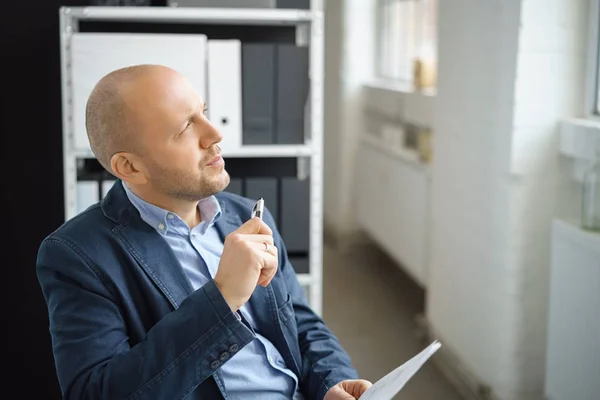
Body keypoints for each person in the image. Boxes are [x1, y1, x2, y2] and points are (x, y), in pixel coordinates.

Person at [36, 64, 372, 400]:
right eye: (184, 128)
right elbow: (96, 394)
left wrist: (332, 381)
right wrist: (223, 297)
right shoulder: (76, 254)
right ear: (131, 167)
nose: (214, 134)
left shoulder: (246, 214)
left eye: (204, 112)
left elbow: (300, 321)